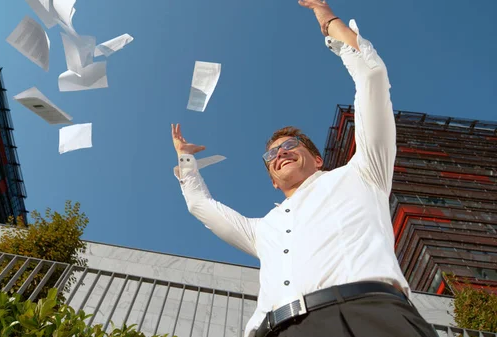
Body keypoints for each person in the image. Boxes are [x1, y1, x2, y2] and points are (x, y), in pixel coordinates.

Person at [171, 1, 440, 337]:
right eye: (271, 156)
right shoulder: (262, 229)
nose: (279, 154)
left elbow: (372, 76)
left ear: (317, 160)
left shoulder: (363, 173)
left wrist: (327, 19)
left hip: (366, 317)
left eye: (288, 146)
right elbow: (199, 205)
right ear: (271, 179)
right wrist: (185, 159)